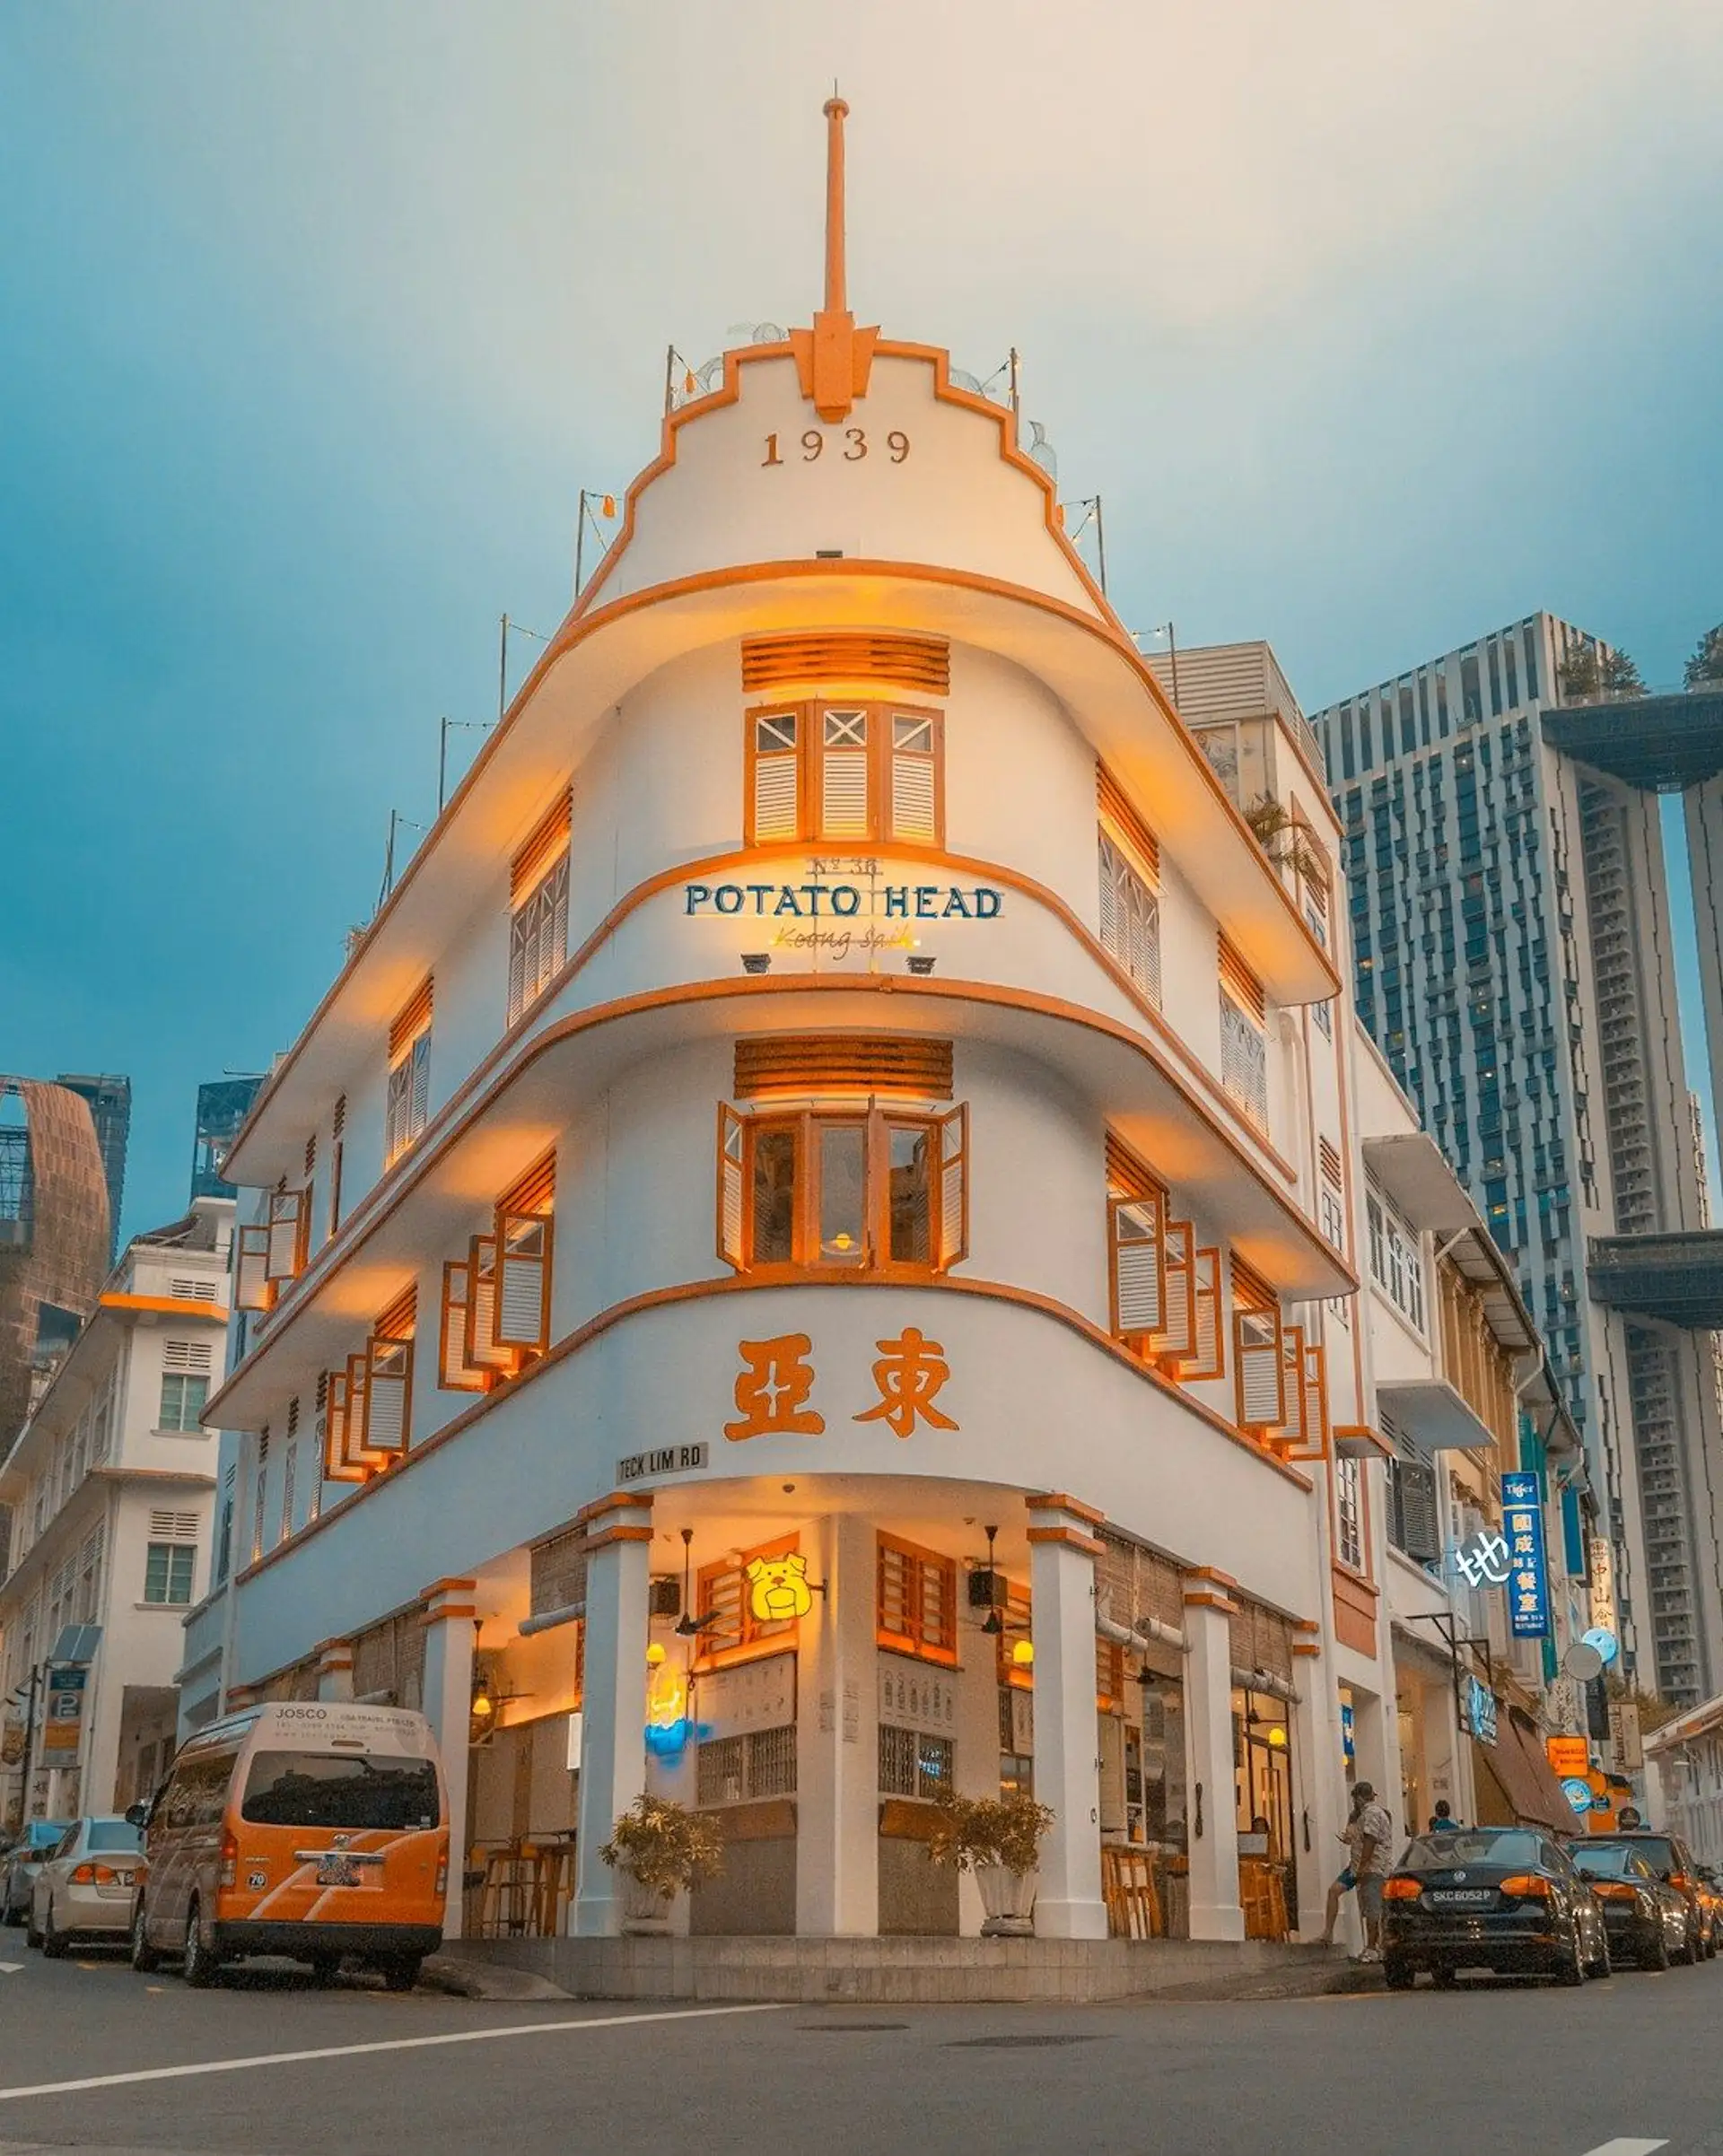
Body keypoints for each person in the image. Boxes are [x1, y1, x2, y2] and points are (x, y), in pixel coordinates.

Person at [1316, 1784, 1366, 1948]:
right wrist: (1346, 1838)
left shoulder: (1372, 1815)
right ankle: (1328, 1931)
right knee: (1333, 1891)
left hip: (1367, 1866)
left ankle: (1372, 1943)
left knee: (1366, 1903)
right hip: (1354, 1865)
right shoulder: (1354, 1816)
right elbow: (1350, 1836)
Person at [1350, 1782, 1393, 1962]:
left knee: (1372, 1910)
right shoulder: (1379, 1813)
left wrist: (1362, 1866)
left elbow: (1370, 1840)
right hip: (1380, 1867)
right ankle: (1379, 1947)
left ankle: (1371, 1948)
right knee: (1377, 1909)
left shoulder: (1370, 1815)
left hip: (1373, 1869)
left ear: (1359, 1798)